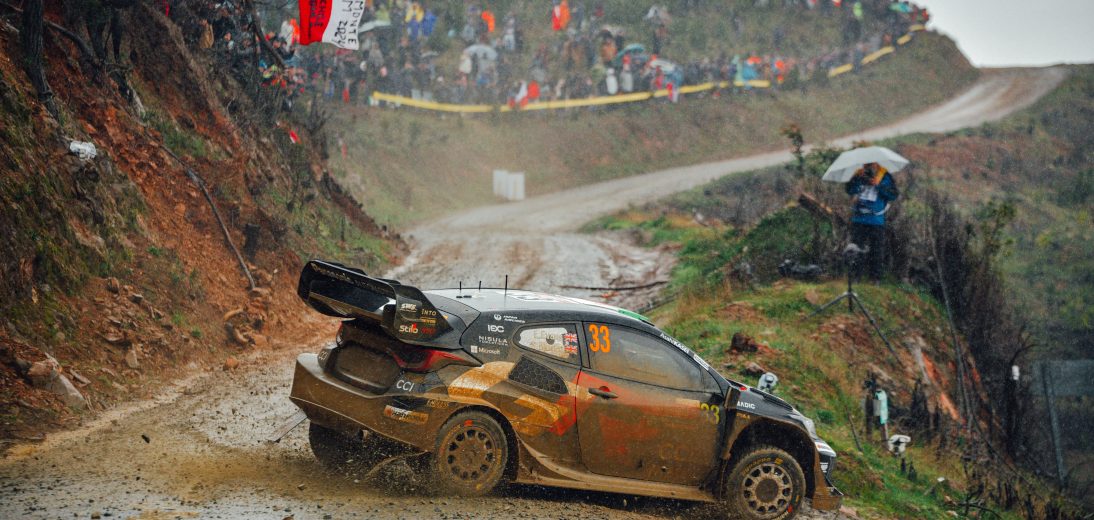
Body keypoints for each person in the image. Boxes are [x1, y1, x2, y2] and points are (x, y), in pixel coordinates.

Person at [845, 162, 899, 281]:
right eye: (867, 164)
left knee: (877, 250)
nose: (869, 167)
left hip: (876, 220)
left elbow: (893, 195)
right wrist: (857, 179)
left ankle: (875, 278)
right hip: (859, 218)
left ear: (876, 163)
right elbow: (849, 190)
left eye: (871, 164)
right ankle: (856, 277)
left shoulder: (884, 176)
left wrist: (878, 185)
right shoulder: (858, 174)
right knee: (856, 248)